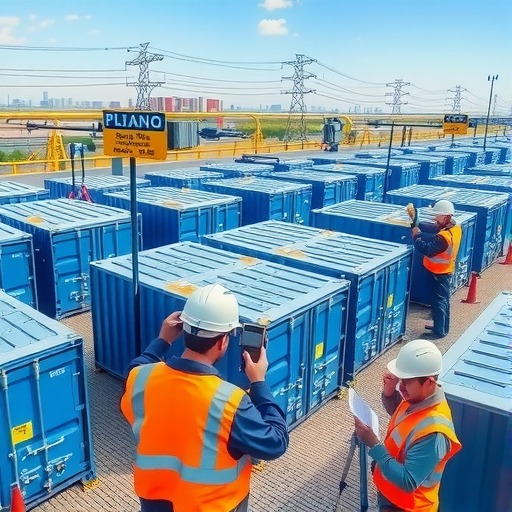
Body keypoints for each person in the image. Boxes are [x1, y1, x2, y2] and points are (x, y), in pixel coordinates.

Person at [120, 283, 289, 512]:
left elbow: (137, 365)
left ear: (183, 329)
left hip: (154, 504)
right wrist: (259, 383)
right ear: (222, 341)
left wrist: (162, 340)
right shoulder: (230, 402)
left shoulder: (140, 378)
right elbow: (276, 442)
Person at [354, 339, 461, 512]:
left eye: (406, 381)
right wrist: (390, 394)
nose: (401, 386)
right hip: (391, 496)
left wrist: (374, 445)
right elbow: (403, 417)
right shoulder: (418, 398)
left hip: (406, 507)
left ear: (429, 382)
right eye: (400, 380)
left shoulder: (434, 433)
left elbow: (408, 481)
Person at [411, 199, 462, 339]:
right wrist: (416, 224)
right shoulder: (455, 228)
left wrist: (416, 236)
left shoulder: (444, 237)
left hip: (439, 273)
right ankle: (441, 326)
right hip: (443, 271)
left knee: (439, 302)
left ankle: (439, 332)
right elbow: (433, 228)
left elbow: (427, 249)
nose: (435, 219)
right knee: (443, 300)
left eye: (437, 216)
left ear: (446, 216)